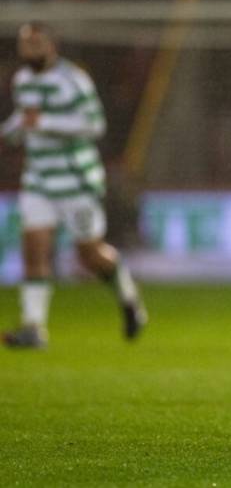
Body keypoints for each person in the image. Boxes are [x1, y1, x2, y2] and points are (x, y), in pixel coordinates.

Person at [0, 22, 147, 348]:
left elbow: (95, 125)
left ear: (51, 45)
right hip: (38, 179)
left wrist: (46, 122)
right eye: (26, 43)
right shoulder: (22, 80)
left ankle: (128, 296)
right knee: (34, 248)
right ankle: (34, 327)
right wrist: (9, 132)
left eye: (37, 43)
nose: (30, 49)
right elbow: (23, 121)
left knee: (90, 255)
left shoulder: (73, 80)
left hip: (76, 180)